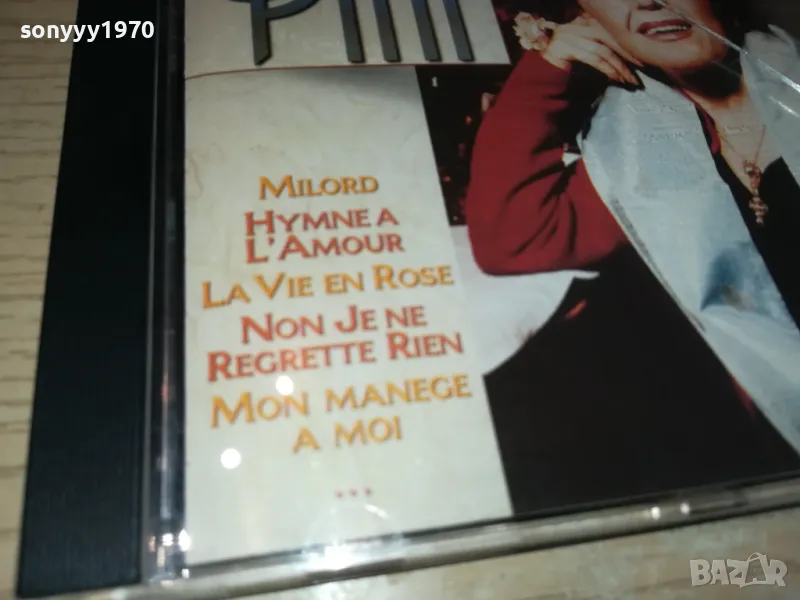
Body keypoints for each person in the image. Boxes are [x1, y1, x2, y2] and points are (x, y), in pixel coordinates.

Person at [466, 0, 800, 513]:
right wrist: (546, 71)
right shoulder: (635, 153)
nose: (647, 0)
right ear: (588, 15)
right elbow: (513, 239)